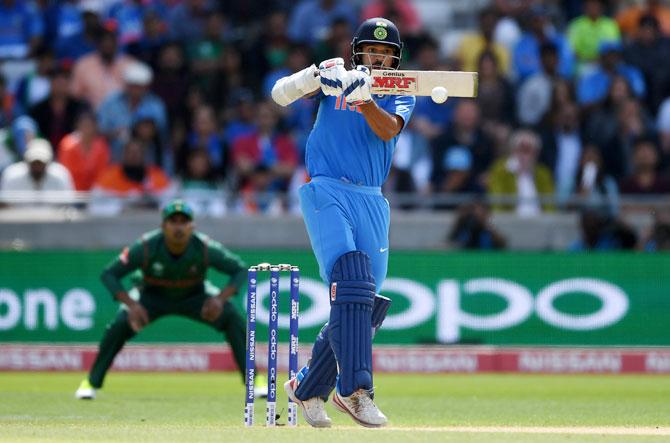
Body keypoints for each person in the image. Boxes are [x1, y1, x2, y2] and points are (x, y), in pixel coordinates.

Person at [271, 17, 414, 428]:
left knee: (362, 302)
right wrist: (313, 75)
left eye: (387, 53)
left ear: (395, 58)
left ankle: (306, 385)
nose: (379, 57)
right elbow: (280, 94)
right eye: (372, 50)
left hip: (371, 198)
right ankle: (355, 390)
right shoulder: (335, 78)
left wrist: (365, 100)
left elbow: (387, 132)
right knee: (351, 280)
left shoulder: (401, 92)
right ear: (359, 52)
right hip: (327, 188)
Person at [74, 200, 262, 400]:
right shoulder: (146, 246)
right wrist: (132, 305)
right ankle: (91, 382)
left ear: (192, 227)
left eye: (184, 222)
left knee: (232, 318)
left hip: (195, 296)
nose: (178, 227)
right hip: (151, 296)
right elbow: (109, 274)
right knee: (120, 323)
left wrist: (220, 299)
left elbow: (241, 270)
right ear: (163, 226)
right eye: (173, 222)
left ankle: (255, 380)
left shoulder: (204, 247)